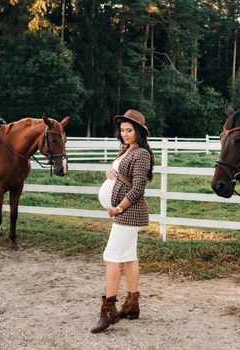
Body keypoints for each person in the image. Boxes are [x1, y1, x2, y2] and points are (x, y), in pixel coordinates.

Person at [92, 109, 154, 334]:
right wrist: (111, 174)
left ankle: (108, 310)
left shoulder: (141, 154)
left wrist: (119, 207)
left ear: (138, 131)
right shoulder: (127, 150)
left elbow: (138, 187)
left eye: (129, 130)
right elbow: (123, 177)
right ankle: (131, 305)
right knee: (128, 257)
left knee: (110, 257)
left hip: (129, 213)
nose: (125, 134)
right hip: (125, 213)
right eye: (122, 130)